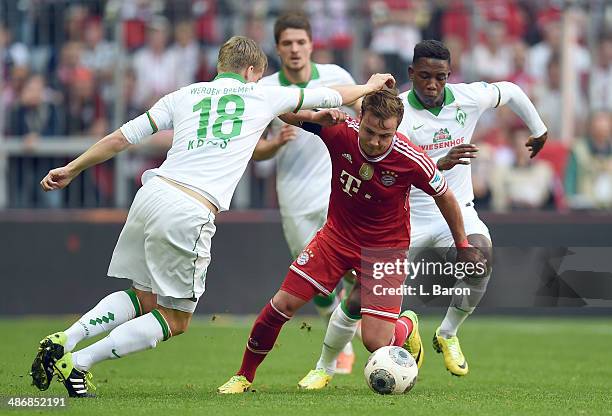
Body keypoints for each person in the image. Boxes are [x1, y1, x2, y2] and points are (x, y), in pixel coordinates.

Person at [30, 35, 394, 398]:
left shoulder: (184, 95)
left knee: (144, 296)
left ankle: (66, 338)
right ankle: (78, 362)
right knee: (175, 319)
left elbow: (123, 137)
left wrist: (73, 167)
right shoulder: (260, 94)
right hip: (189, 208)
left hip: (151, 194)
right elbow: (332, 95)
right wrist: (371, 85)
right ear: (252, 71)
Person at [303, 39, 548, 386]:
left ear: (449, 75)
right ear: (411, 74)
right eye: (424, 76)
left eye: (440, 77)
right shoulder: (396, 114)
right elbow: (390, 173)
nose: (432, 85)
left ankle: (447, 333)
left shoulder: (467, 98)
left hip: (455, 210)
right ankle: (324, 366)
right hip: (405, 220)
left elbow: (509, 90)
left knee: (480, 260)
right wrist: (438, 164)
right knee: (359, 299)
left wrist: (539, 130)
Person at [217, 89, 484, 394]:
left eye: (385, 135)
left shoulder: (411, 158)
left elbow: (446, 196)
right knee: (283, 303)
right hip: (335, 238)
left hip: (385, 250)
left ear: (396, 129)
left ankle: (406, 325)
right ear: (360, 119)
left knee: (375, 342)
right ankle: (243, 376)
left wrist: (462, 245)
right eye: (370, 131)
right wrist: (315, 117)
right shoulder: (339, 131)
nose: (374, 141)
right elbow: (282, 111)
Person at [253, 12, 358, 374]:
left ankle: (352, 342)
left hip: (339, 191)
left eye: (301, 42)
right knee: (316, 277)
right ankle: (342, 337)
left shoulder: (336, 78)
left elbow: (363, 114)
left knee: (355, 271)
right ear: (278, 48)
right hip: (294, 196)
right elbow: (252, 149)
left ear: (312, 44)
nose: (295, 49)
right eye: (287, 43)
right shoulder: (266, 90)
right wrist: (275, 145)